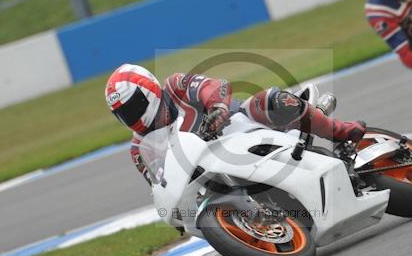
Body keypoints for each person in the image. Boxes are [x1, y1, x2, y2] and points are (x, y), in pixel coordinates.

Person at [104, 63, 366, 181]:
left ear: (149, 92)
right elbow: (159, 185)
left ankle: (339, 131)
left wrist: (217, 107)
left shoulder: (175, 87)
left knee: (272, 100)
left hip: (241, 127)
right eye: (123, 114)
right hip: (216, 174)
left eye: (133, 107)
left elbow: (212, 86)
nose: (131, 117)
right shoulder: (139, 150)